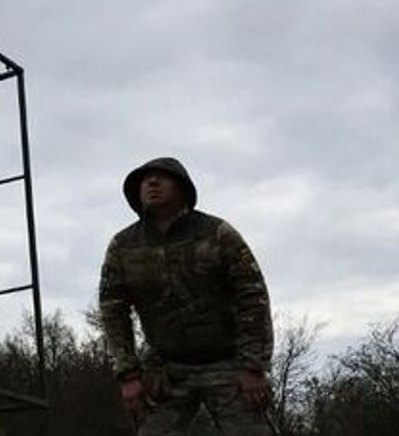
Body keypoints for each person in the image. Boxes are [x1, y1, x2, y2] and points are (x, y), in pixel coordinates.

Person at [98, 157, 274, 435]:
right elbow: (113, 311)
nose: (152, 182)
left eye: (162, 177)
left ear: (182, 187)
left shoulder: (218, 233)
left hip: (227, 361)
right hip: (166, 368)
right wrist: (128, 375)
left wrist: (253, 366)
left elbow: (252, 295)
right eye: (145, 179)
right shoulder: (123, 246)